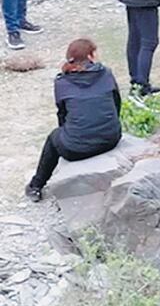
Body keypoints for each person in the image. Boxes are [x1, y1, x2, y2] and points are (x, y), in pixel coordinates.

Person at [24, 39, 122, 202]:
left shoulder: (62, 82)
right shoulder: (106, 73)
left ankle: (36, 186)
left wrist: (71, 135)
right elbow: (116, 103)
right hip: (111, 139)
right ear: (90, 56)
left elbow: (62, 114)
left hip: (76, 149)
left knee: (53, 137)